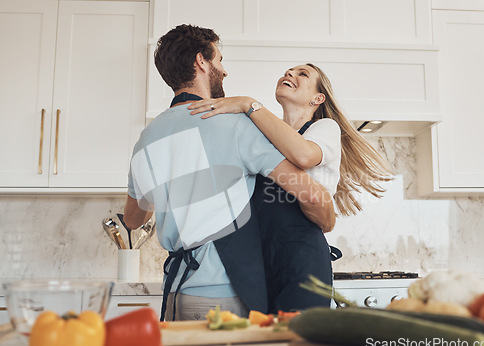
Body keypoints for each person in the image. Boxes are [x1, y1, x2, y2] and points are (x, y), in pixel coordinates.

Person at [123, 25, 335, 321]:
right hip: (227, 294)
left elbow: (134, 220)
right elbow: (312, 195)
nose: (224, 71)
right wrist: (327, 223)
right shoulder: (235, 126)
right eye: (219, 60)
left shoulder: (146, 138)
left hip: (176, 292)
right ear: (201, 62)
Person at [188, 63, 393, 312]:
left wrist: (248, 104)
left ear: (318, 98)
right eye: (288, 71)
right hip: (259, 258)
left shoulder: (324, 128)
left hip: (301, 258)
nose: (290, 74)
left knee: (297, 343)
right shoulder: (262, 137)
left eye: (302, 74)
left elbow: (304, 155)